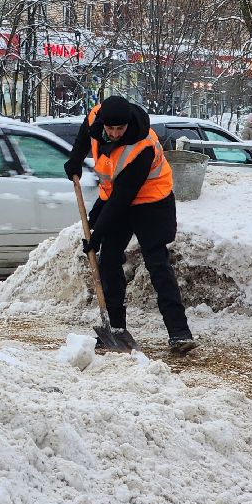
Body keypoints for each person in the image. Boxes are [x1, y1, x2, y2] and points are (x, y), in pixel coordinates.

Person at [63, 95, 196, 353]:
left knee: (156, 261)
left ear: (127, 125)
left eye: (119, 129)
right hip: (115, 196)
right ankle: (116, 329)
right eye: (109, 129)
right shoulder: (96, 116)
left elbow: (123, 198)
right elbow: (85, 131)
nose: (114, 134)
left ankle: (180, 332)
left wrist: (96, 233)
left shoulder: (141, 147)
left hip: (152, 202)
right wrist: (75, 159)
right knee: (109, 259)